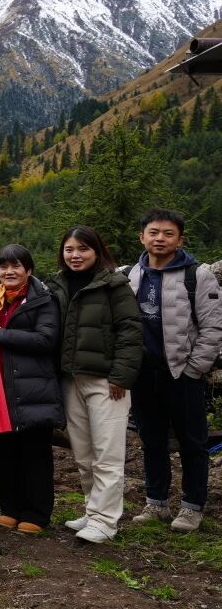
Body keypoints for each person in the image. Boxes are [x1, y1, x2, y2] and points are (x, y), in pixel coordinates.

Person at [126, 209, 222, 534]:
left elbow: (212, 327)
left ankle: (192, 507)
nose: (160, 239)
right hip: (142, 374)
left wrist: (195, 368)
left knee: (193, 442)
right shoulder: (131, 275)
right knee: (151, 441)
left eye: (168, 234)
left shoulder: (198, 275)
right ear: (142, 237)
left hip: (183, 374)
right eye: (154, 232)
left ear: (179, 239)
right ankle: (156, 503)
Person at [44, 226, 142, 544]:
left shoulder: (114, 285)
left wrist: (120, 377)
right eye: (70, 249)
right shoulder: (57, 285)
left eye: (83, 249)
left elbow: (131, 331)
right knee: (84, 453)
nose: (76, 255)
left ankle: (106, 521)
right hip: (71, 379)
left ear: (97, 252)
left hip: (106, 382)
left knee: (108, 453)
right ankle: (92, 509)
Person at [0, 244, 64, 535]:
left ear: (28, 270)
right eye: (4, 267)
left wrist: (1, 334)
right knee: (4, 451)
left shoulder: (43, 299)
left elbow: (46, 340)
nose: (9, 272)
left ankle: (37, 513)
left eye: (16, 266)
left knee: (35, 452)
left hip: (33, 387)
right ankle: (9, 508)